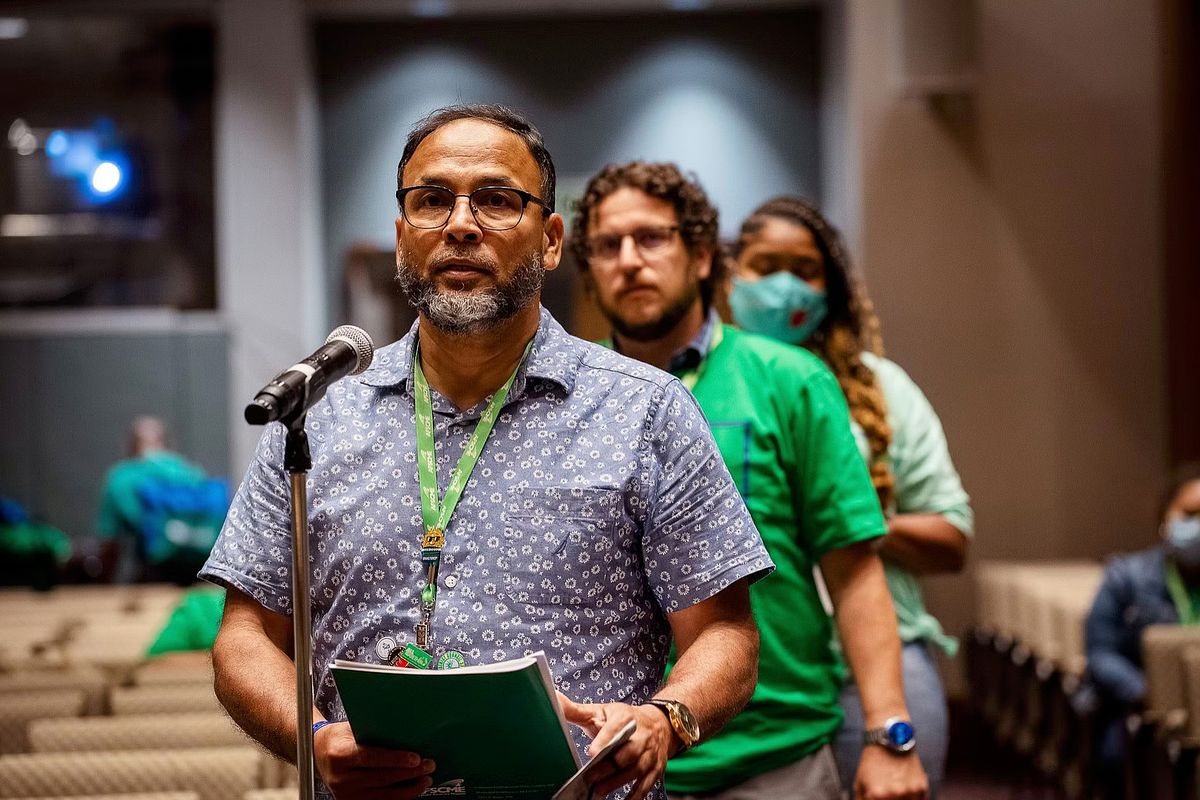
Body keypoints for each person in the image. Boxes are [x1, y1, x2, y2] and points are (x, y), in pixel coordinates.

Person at [200, 105, 773, 800]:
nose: (462, 225)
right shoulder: (320, 419)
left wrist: (666, 718)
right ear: (402, 233)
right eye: (432, 200)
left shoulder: (646, 413)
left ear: (553, 240)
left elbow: (726, 633)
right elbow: (243, 638)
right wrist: (316, 741)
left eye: (498, 201)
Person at [572, 161, 927, 800]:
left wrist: (888, 732)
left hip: (774, 754)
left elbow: (855, 572)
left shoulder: (790, 380)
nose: (629, 261)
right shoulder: (568, 399)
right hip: (609, 758)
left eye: (652, 238)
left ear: (703, 256)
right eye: (607, 245)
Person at [728, 197, 972, 796]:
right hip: (762, 674)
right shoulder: (694, 384)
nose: (786, 286)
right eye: (766, 266)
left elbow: (952, 538)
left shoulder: (880, 388)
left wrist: (842, 517)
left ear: (829, 288)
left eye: (805, 271)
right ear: (729, 272)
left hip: (876, 670)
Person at [1085, 463, 1200, 800]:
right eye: (1191, 513)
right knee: (1116, 757)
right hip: (1142, 713)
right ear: (1166, 518)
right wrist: (1147, 691)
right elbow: (1100, 655)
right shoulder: (1126, 577)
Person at [97, 416, 217, 583]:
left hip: (151, 572)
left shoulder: (121, 477)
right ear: (166, 443)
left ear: (131, 445)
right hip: (200, 570)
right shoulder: (192, 472)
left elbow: (109, 539)